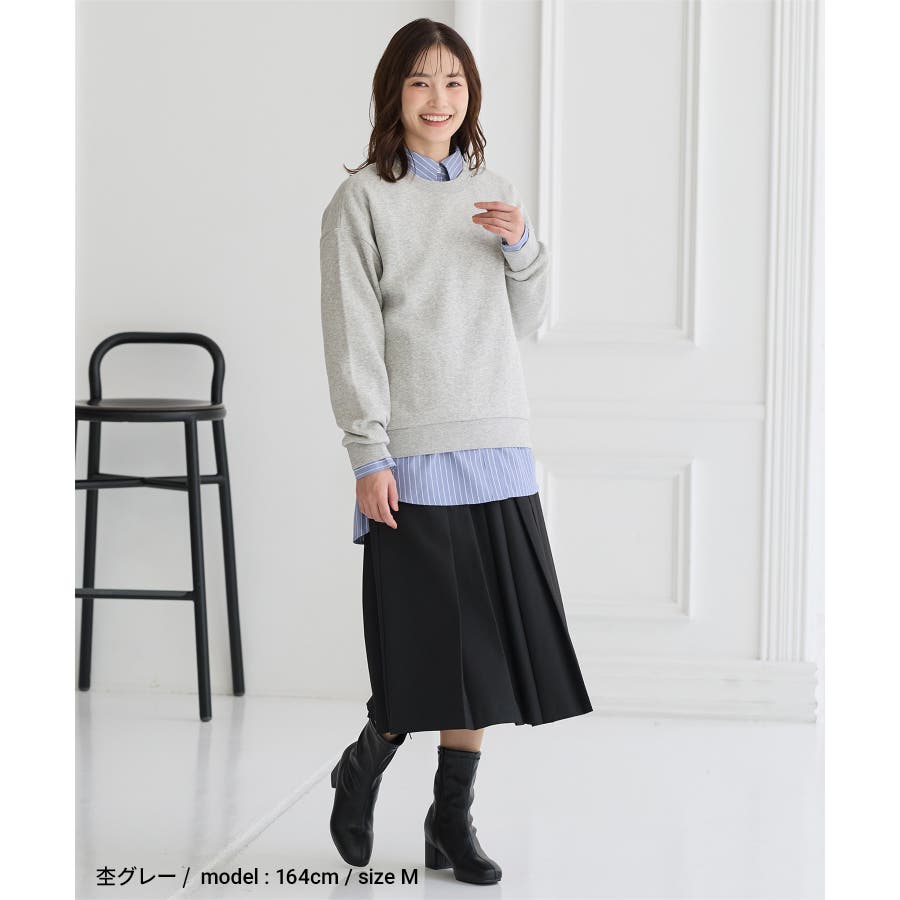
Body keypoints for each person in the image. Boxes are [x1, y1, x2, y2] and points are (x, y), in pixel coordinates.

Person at [319, 18, 593, 886]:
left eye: (454, 83)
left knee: (487, 654)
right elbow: (352, 338)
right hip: (413, 454)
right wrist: (368, 454)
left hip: (497, 444)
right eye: (420, 82)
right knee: (422, 649)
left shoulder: (492, 190)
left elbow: (524, 322)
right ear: (393, 94)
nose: (439, 100)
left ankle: (450, 822)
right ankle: (364, 763)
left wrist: (523, 247)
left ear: (470, 95)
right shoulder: (362, 202)